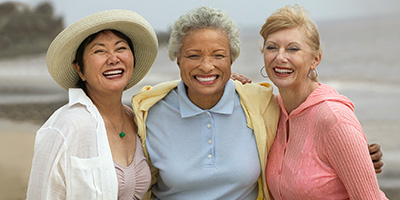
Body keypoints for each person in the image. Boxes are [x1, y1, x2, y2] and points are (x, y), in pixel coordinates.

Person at [131, 6, 384, 200]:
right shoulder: (148, 111)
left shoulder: (259, 105)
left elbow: (323, 126)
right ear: (177, 59)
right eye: (193, 55)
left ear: (232, 60)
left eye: (218, 55)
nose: (206, 66)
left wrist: (355, 156)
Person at [27, 10, 158, 199]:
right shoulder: (68, 125)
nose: (113, 58)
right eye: (99, 51)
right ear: (79, 69)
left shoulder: (135, 119)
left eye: (121, 48)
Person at [260, 5, 388, 199]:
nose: (280, 57)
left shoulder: (334, 119)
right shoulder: (272, 110)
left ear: (315, 59)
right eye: (272, 47)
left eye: (293, 48)